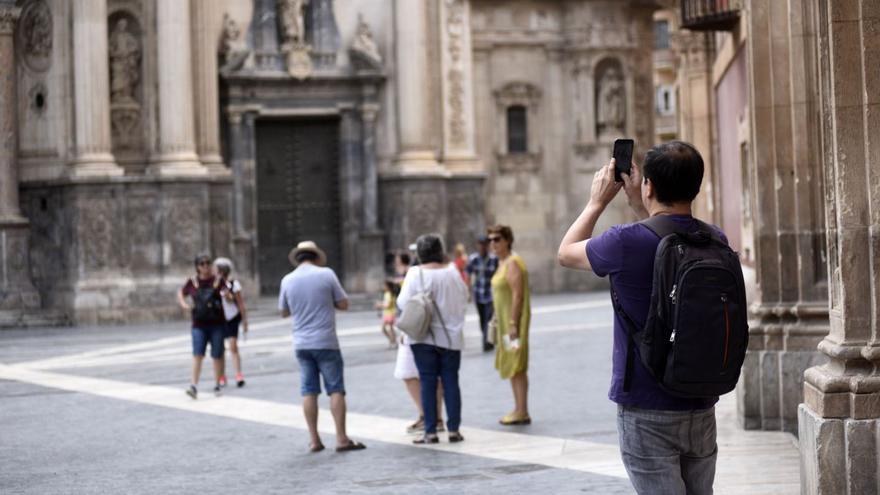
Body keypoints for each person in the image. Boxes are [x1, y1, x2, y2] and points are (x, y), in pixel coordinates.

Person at [557, 141, 722, 494]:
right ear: (697, 185)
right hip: (702, 402)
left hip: (647, 404)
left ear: (649, 185)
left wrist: (597, 202)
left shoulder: (623, 242)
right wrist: (640, 203)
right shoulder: (714, 238)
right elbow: (663, 238)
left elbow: (566, 252)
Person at [278, 240, 366, 453]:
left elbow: (283, 311)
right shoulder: (326, 274)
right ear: (316, 257)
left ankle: (314, 440)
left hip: (301, 343)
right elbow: (344, 303)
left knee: (308, 391)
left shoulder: (287, 280)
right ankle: (341, 438)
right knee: (335, 389)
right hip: (326, 341)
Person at [397, 234, 468, 444]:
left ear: (420, 253)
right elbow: (463, 297)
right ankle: (454, 430)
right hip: (451, 336)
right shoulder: (453, 272)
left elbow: (402, 303)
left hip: (424, 337)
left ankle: (430, 432)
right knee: (451, 382)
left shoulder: (414, 273)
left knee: (427, 382)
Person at [392, 251, 445, 434]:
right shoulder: (446, 271)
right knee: (432, 375)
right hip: (438, 329)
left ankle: (426, 416)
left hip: (415, 328)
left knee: (408, 372)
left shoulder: (413, 273)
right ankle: (436, 417)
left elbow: (402, 302)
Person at [488, 225, 532, 425]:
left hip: (512, 325)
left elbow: (517, 295)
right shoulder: (502, 262)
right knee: (513, 364)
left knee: (517, 365)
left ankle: (522, 410)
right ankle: (518, 408)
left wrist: (513, 323)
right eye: (490, 239)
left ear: (507, 240)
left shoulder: (513, 262)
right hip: (505, 324)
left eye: (497, 239)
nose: (493, 243)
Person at [177, 254, 227, 399]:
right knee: (197, 354)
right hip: (198, 324)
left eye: (208, 263)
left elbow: (227, 293)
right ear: (197, 267)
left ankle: (217, 384)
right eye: (202, 264)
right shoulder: (192, 282)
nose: (205, 266)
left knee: (217, 355)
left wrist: (228, 296)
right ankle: (194, 386)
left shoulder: (218, 280)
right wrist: (184, 304)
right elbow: (181, 292)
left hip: (216, 323)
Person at [214, 257, 249, 388]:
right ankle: (222, 375)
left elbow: (240, 303)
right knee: (220, 348)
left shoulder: (234, 284)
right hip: (219, 318)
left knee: (233, 346)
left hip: (232, 318)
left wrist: (245, 321)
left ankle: (238, 374)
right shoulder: (214, 284)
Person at [466, 235, 499, 352]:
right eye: (480, 244)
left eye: (484, 244)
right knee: (482, 319)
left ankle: (487, 342)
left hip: (490, 295)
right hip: (479, 294)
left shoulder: (494, 259)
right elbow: (468, 274)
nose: (482, 247)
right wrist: (468, 290)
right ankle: (487, 337)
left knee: (488, 318)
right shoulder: (473, 259)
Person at [375, 279, 399, 349]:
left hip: (389, 314)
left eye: (384, 286)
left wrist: (379, 305)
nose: (383, 287)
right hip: (389, 313)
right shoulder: (391, 293)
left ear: (388, 286)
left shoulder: (388, 294)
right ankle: (393, 341)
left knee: (385, 328)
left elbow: (387, 305)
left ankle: (392, 341)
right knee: (390, 328)